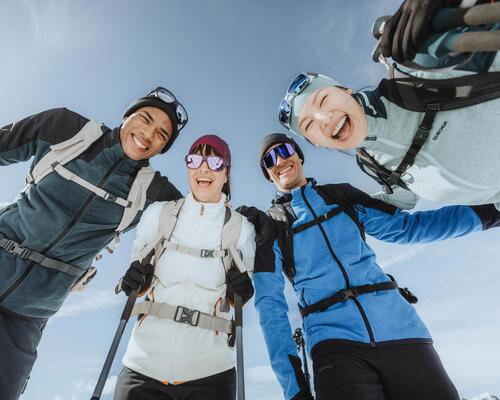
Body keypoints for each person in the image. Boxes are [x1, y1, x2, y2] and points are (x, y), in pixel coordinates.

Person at [251, 133, 500, 400]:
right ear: (268, 174)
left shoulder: (341, 196)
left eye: (285, 150)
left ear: (299, 155)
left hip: (400, 331)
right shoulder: (271, 227)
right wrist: (295, 388)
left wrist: (490, 213)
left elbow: (408, 228)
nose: (280, 160)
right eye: (269, 159)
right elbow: (270, 308)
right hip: (334, 345)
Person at [0, 87, 188, 400]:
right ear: (127, 115)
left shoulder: (152, 192)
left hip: (30, 312)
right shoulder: (65, 129)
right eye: (145, 118)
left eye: (161, 134)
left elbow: (199, 222)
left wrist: (146, 273)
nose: (147, 134)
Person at [277, 1, 500, 210]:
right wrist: (347, 209)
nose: (323, 119)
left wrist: (448, 9)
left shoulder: (420, 76)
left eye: (323, 99)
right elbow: (403, 199)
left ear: (345, 91)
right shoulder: (371, 163)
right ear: (314, 143)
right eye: (308, 125)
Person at [113, 135, 256, 400]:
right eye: (195, 159)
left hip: (211, 375)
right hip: (143, 368)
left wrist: (244, 292)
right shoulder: (159, 214)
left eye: (214, 161)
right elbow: (137, 274)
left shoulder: (241, 229)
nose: (203, 168)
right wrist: (135, 281)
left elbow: (240, 297)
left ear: (226, 173)